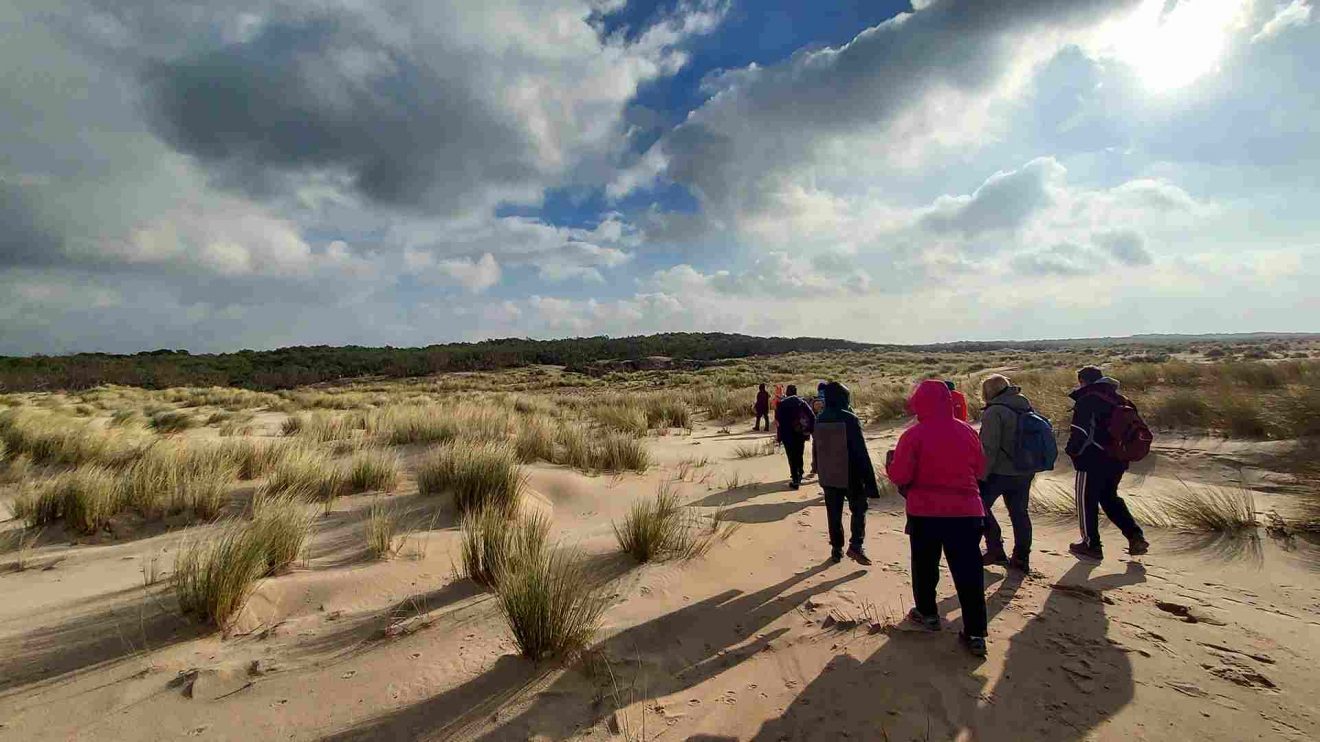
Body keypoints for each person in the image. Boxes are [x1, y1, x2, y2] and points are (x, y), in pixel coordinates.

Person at [886, 379, 989, 657]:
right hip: (967, 510)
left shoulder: (913, 435)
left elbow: (900, 475)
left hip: (925, 511)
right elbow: (980, 469)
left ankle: (927, 613)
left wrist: (891, 466)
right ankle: (976, 632)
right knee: (969, 572)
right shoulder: (966, 430)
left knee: (924, 564)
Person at [1066, 366, 1150, 561]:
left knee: (1086, 501)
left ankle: (1091, 544)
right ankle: (1135, 536)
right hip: (1118, 459)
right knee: (1110, 498)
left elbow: (1080, 432)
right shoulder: (1121, 399)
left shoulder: (1087, 399)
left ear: (1082, 381)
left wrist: (1072, 452)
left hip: (1091, 459)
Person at [814, 381, 879, 565]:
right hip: (851, 474)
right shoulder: (850, 418)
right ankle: (856, 545)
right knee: (859, 509)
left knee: (833, 513)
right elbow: (860, 451)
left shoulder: (820, 418)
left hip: (828, 474)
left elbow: (817, 448)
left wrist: (818, 469)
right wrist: (870, 482)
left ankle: (836, 548)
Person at [977, 374, 1035, 572]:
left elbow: (989, 448)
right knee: (1020, 514)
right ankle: (1021, 558)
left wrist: (981, 475)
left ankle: (995, 548)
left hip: (1000, 472)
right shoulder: (1024, 405)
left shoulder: (995, 411)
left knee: (980, 508)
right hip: (1024, 470)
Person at [775, 384, 814, 489]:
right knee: (799, 453)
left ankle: (795, 478)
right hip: (800, 432)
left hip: (787, 434)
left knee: (791, 456)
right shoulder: (802, 402)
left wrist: (779, 437)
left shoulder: (782, 404)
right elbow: (811, 416)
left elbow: (778, 421)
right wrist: (810, 430)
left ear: (787, 392)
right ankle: (800, 472)